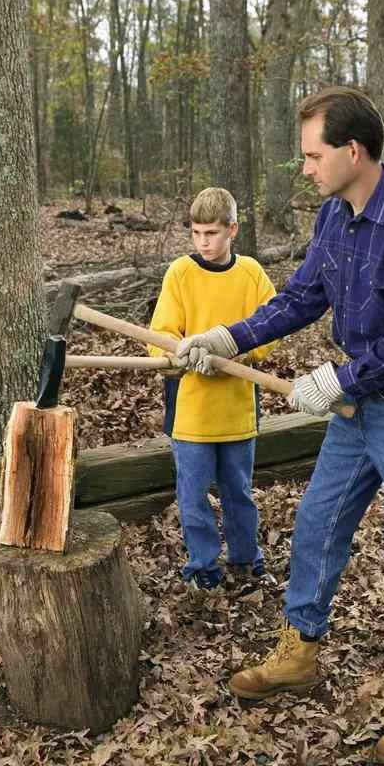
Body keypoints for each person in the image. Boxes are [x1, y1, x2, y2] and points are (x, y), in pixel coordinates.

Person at [175, 86, 384, 764]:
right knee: (317, 526)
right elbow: (303, 297)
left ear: (353, 151)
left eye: (313, 155)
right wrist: (227, 338)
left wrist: (337, 379)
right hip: (357, 408)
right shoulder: (335, 219)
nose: (305, 168)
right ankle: (299, 651)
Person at [149, 187, 277, 591]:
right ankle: (203, 566)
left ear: (232, 230)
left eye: (212, 233)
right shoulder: (181, 273)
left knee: (239, 492)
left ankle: (245, 559)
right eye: (196, 232)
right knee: (193, 496)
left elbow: (272, 324)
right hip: (191, 411)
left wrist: (243, 354)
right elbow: (161, 334)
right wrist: (178, 354)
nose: (203, 241)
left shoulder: (251, 274)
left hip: (237, 408)